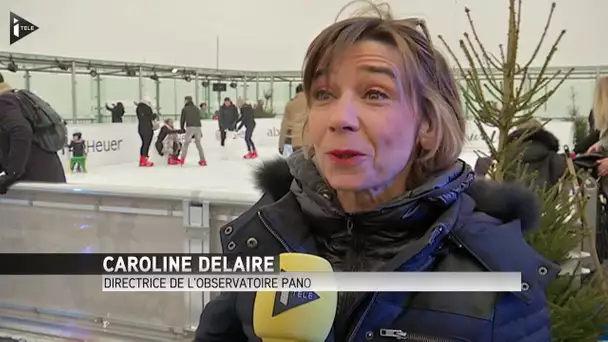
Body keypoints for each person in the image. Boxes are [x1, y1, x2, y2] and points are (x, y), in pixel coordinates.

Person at [194, 6, 557, 342]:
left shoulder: (497, 278)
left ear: (427, 124)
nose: (339, 118)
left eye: (374, 93)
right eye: (323, 93)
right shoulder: (266, 236)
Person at [0, 73, 66, 194]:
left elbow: (21, 130)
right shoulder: (13, 99)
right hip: (44, 174)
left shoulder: (4, 102)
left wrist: (12, 174)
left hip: (36, 180)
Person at [279, 83, 307, 156]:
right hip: (310, 141)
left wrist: (281, 144)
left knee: (298, 164)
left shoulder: (290, 104)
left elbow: (284, 125)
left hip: (296, 141)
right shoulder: (312, 103)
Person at [179, 96, 207, 166]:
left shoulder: (185, 109)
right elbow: (199, 117)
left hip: (190, 127)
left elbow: (182, 119)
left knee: (186, 144)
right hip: (198, 127)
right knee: (198, 144)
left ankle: (182, 159)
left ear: (186, 101)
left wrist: (182, 128)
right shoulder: (196, 108)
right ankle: (203, 160)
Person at [135, 99, 156, 167]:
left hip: (141, 128)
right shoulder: (147, 108)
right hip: (148, 128)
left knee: (144, 144)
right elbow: (149, 118)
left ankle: (142, 159)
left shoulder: (138, 109)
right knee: (146, 144)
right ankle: (144, 160)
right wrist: (153, 116)